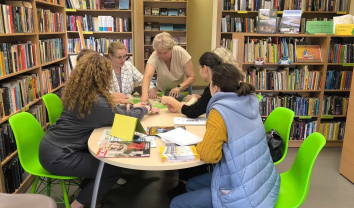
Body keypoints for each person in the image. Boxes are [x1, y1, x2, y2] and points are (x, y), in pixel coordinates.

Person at [38, 53, 159, 208]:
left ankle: (84, 194)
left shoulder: (81, 94)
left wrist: (132, 106)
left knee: (102, 162)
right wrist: (146, 108)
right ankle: (77, 205)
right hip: (59, 157)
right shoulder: (95, 102)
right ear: (101, 76)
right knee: (111, 170)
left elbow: (109, 110)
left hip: (52, 147)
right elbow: (125, 117)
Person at [170, 63, 280, 208]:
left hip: (246, 195)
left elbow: (209, 156)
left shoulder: (219, 112)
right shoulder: (249, 100)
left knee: (176, 204)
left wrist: (203, 145)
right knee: (191, 184)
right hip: (264, 182)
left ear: (215, 88)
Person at [161, 47, 244, 118]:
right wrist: (200, 98)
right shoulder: (231, 82)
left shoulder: (216, 86)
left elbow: (193, 112)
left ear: (206, 68)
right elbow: (204, 103)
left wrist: (170, 100)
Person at [140, 32, 195, 103]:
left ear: (172, 48)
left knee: (183, 110)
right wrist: (144, 95)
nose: (162, 56)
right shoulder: (154, 56)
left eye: (165, 53)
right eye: (159, 53)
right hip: (163, 90)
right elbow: (147, 76)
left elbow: (191, 77)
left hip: (183, 89)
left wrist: (179, 87)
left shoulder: (181, 52)